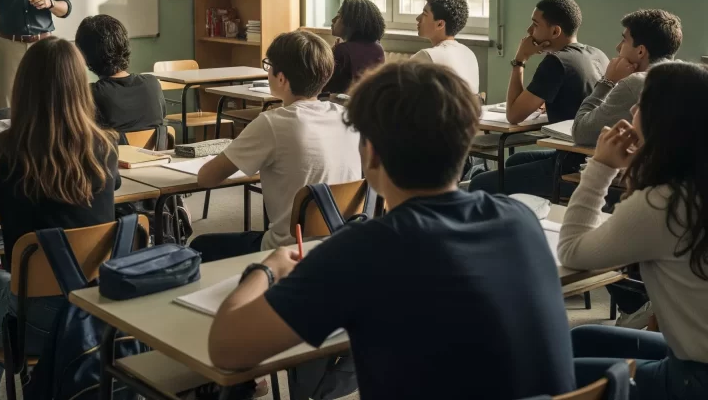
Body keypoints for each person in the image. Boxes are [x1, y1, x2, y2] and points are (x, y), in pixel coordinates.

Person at [207, 62, 576, 400]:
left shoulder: (364, 250)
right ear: (465, 146)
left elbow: (225, 348)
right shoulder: (520, 220)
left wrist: (266, 270)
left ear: (370, 154)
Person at [0, 37, 120, 400]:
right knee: (5, 279)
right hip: (99, 315)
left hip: (36, 323)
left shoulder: (3, 151)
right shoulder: (105, 147)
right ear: (82, 87)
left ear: (23, 86)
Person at [559, 62, 708, 400]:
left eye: (643, 104)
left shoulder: (664, 203)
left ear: (666, 123)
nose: (634, 110)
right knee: (583, 338)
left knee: (556, 372)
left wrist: (601, 168)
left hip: (705, 381)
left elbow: (572, 249)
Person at [190, 31, 361, 261]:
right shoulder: (346, 117)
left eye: (268, 66)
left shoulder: (273, 123)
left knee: (200, 245)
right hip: (341, 243)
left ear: (281, 79)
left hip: (287, 250)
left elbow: (206, 178)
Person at [470, 0, 607, 196]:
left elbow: (514, 115)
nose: (528, 31)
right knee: (513, 161)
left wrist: (520, 60)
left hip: (572, 163)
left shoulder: (557, 62)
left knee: (480, 183)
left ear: (555, 31)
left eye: (535, 24)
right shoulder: (596, 54)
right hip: (590, 155)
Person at [572, 9, 681, 146]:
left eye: (624, 40)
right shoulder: (686, 76)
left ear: (640, 51)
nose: (618, 47)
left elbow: (581, 133)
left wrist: (607, 81)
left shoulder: (636, 83)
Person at [74, 14, 166, 144]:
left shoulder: (91, 94)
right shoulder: (152, 84)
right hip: (156, 161)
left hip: (112, 163)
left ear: (84, 56)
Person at [412, 0, 480, 94]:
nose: (418, 18)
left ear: (440, 24)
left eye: (424, 14)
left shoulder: (427, 56)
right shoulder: (469, 53)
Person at [324, 0, 386, 94]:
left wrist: (329, 55)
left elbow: (324, 87)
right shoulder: (378, 48)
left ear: (351, 22)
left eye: (339, 16)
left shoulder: (343, 50)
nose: (333, 20)